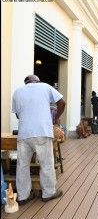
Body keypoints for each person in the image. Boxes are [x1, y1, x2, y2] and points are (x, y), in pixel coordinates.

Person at [12, 74, 65, 205]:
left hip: (24, 133)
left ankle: (23, 196)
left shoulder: (18, 91)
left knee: (22, 166)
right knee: (46, 163)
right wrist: (55, 117)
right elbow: (62, 103)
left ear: (27, 83)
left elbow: (18, 115)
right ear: (37, 81)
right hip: (42, 131)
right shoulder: (45, 87)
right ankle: (48, 193)